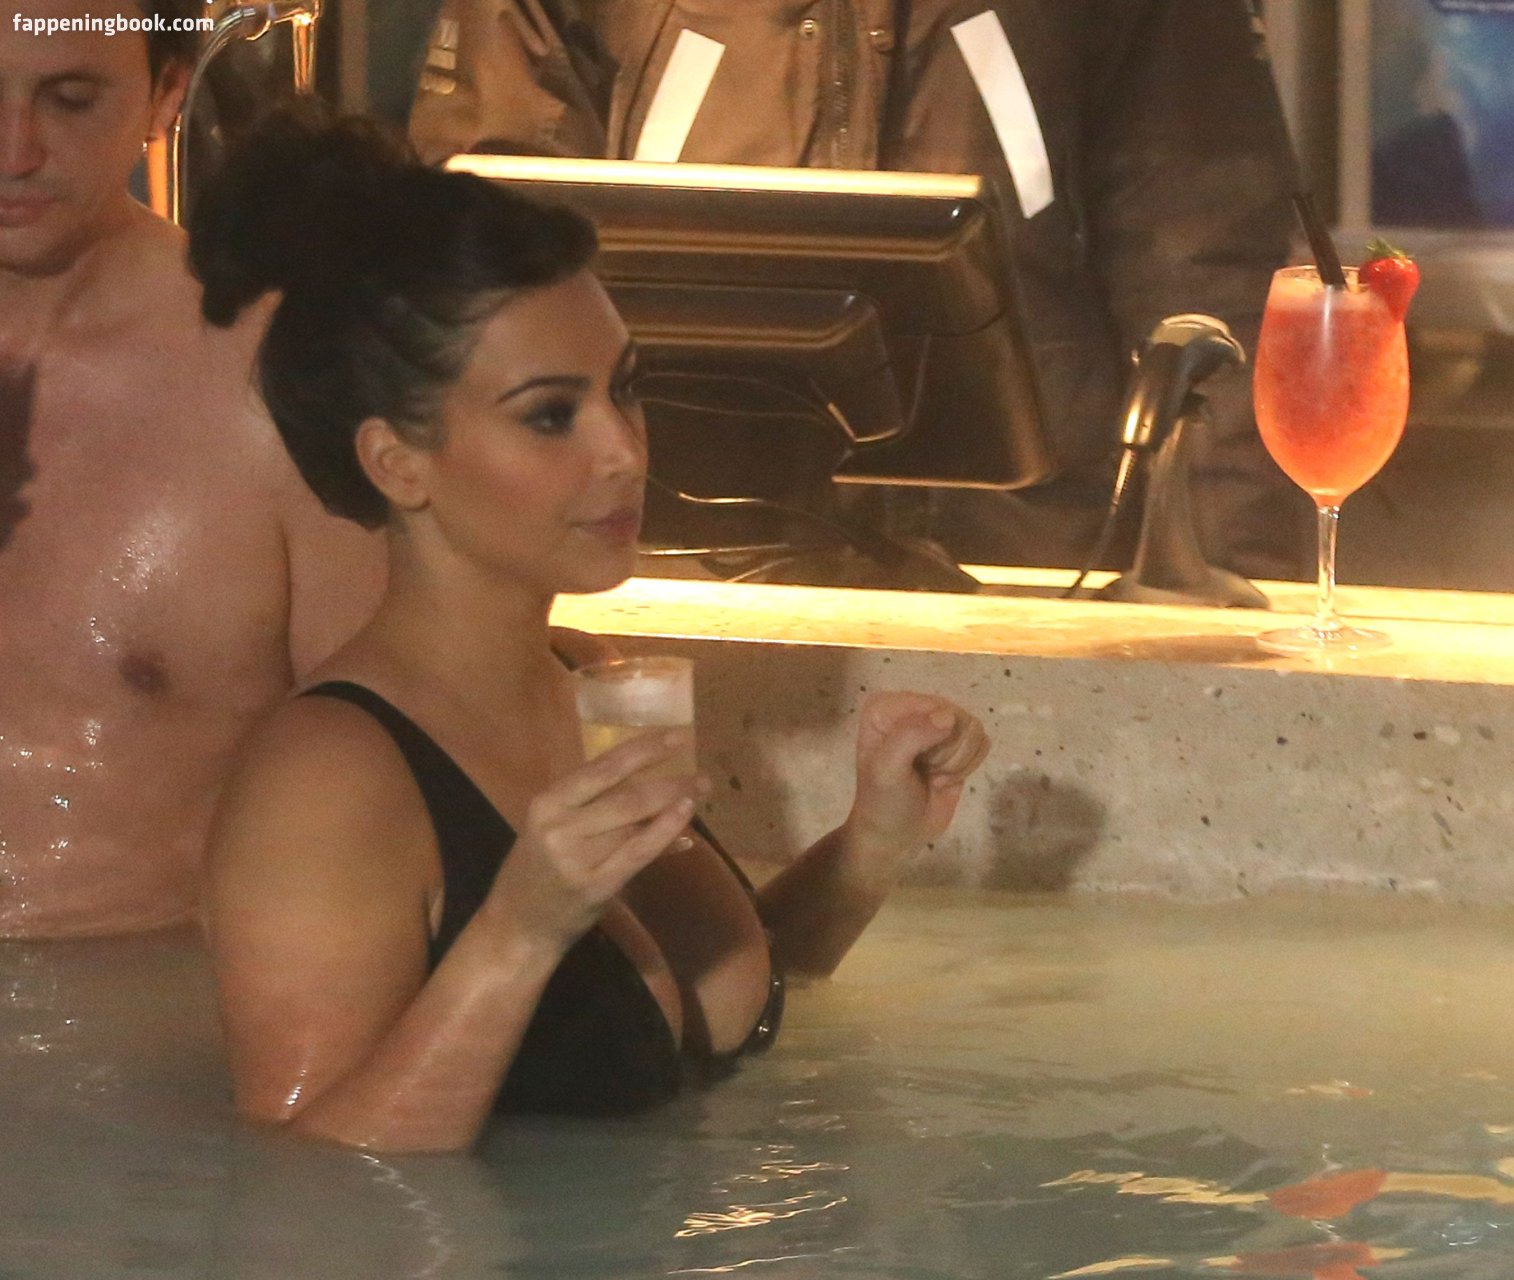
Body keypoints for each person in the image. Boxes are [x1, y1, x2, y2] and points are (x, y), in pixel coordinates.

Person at [192, 105, 990, 1153]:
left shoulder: (590, 680)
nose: (622, 449)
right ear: (397, 462)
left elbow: (704, 1007)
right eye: (549, 414)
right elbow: (299, 1185)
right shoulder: (324, 785)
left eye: (626, 390)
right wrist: (518, 932)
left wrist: (869, 847)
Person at [405, 0, 1310, 582]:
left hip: (1035, 570)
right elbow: (481, 276)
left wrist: (1234, 598)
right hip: (672, 563)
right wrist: (478, 604)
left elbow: (1209, 289)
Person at [0, 0, 385, 937]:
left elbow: (400, 785)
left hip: (144, 992)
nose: (14, 151)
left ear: (166, 96)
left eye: (71, 99)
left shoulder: (279, 383)